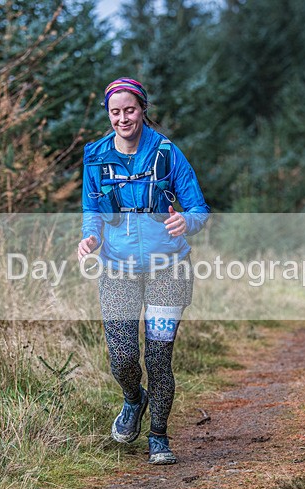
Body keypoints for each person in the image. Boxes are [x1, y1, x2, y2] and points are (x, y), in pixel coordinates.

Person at [77, 78, 210, 465]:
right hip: (116, 269)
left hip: (169, 270)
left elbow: (199, 209)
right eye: (115, 112)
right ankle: (134, 400)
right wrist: (90, 238)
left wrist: (185, 222)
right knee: (121, 356)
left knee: (157, 358)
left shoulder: (168, 153)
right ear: (108, 113)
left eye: (130, 110)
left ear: (143, 109)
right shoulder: (95, 156)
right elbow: (93, 210)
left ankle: (158, 437)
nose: (123, 119)